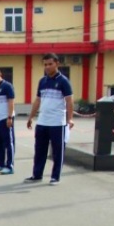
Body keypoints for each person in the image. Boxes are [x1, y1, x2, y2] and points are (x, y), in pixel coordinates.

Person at [25, 53, 74, 185]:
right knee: (40, 150)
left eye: (50, 64)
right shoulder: (43, 81)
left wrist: (70, 119)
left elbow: (69, 101)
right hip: (42, 122)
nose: (47, 67)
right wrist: (31, 117)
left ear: (57, 63)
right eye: (45, 64)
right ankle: (37, 174)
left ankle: (55, 176)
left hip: (57, 122)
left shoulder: (63, 81)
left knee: (58, 151)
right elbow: (38, 100)